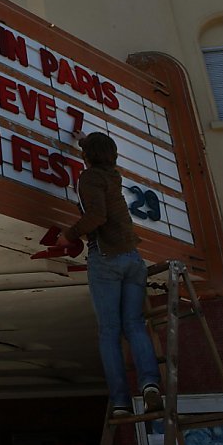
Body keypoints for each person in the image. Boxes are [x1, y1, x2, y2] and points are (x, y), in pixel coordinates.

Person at [55, 131, 163, 417]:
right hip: (132, 257)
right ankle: (150, 383)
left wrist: (69, 234)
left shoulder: (89, 178)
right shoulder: (113, 175)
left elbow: (97, 216)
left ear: (87, 157)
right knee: (135, 325)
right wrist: (85, 141)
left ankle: (120, 401)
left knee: (109, 332)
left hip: (107, 258)